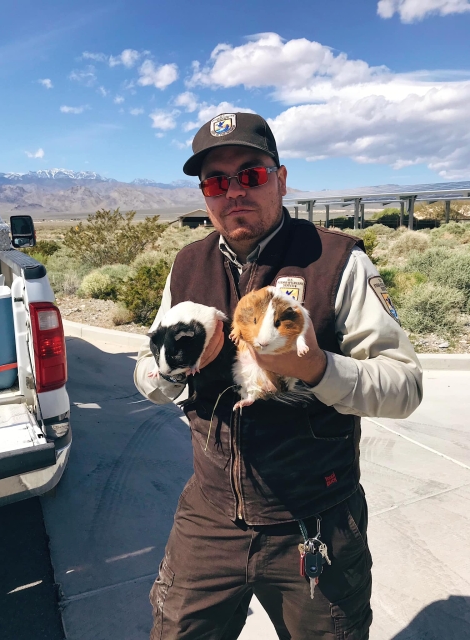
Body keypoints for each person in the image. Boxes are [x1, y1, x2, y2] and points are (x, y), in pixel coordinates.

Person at [134, 112, 423, 640]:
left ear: (281, 179)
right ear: (205, 195)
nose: (234, 192)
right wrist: (174, 368)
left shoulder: (336, 261)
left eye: (251, 175)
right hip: (210, 515)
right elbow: (149, 374)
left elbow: (405, 387)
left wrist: (314, 368)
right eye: (217, 182)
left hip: (314, 520)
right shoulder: (186, 265)